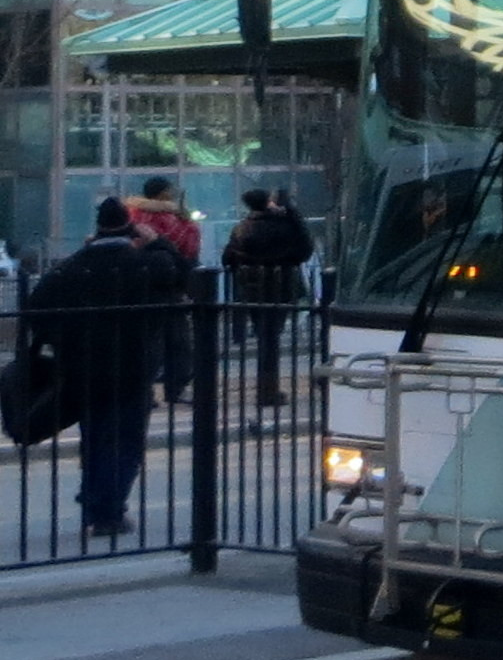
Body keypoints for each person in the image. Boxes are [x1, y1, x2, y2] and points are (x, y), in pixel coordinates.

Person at [28, 199, 187, 538]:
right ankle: (109, 510)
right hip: (133, 365)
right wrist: (158, 241)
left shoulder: (76, 267)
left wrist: (62, 340)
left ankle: (93, 503)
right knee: (126, 441)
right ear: (131, 229)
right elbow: (184, 273)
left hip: (83, 368)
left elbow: (37, 304)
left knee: (95, 437)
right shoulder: (144, 264)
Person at [222, 189, 315, 407]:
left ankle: (266, 388)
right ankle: (268, 391)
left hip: (252, 288)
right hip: (280, 286)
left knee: (265, 336)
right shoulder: (284, 226)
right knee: (271, 338)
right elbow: (304, 250)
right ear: (269, 202)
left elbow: (228, 258)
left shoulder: (242, 228)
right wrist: (292, 214)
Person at [125, 176, 199, 404]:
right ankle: (176, 388)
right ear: (162, 193)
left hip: (139, 285)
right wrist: (189, 223)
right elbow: (186, 246)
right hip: (170, 282)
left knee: (146, 342)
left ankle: (143, 391)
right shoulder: (170, 217)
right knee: (178, 341)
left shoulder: (132, 214)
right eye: (169, 190)